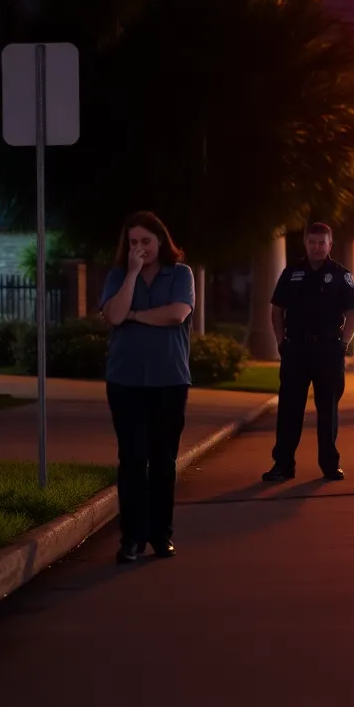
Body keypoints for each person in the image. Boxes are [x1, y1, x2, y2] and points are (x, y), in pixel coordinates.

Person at [99, 211, 196, 563]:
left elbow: (177, 314)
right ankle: (132, 538)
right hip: (125, 381)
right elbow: (113, 315)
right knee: (132, 459)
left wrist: (136, 316)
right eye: (133, 243)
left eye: (146, 241)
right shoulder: (117, 276)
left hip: (169, 380)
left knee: (163, 460)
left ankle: (160, 535)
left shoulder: (180, 274)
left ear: (160, 241)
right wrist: (133, 274)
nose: (140, 248)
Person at [262, 222, 354, 482]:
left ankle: (330, 465)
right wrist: (281, 342)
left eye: (322, 242)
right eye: (312, 242)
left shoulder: (340, 275)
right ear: (305, 244)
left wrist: (343, 344)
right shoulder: (292, 272)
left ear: (330, 245)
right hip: (296, 349)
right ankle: (283, 465)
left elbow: (353, 314)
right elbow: (276, 310)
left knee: (327, 410)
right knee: (289, 409)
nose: (317, 247)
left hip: (329, 350)